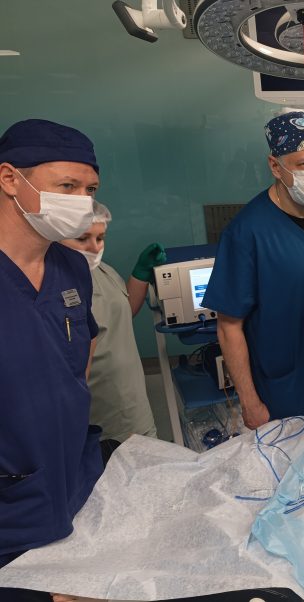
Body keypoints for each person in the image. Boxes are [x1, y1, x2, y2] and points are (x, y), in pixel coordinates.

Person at [0, 119, 104, 595]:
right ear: (9, 179)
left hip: (72, 479)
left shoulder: (71, 268)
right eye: (67, 186)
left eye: (90, 190)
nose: (81, 201)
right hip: (11, 506)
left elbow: (78, 359)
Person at [202, 111, 304, 430]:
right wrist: (249, 402)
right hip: (285, 388)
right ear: (275, 166)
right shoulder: (247, 232)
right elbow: (229, 326)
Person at [60, 201, 164, 447]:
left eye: (100, 238)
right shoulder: (55, 283)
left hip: (132, 406)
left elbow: (121, 315)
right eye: (82, 238)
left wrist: (140, 274)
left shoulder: (102, 270)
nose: (94, 248)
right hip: (97, 415)